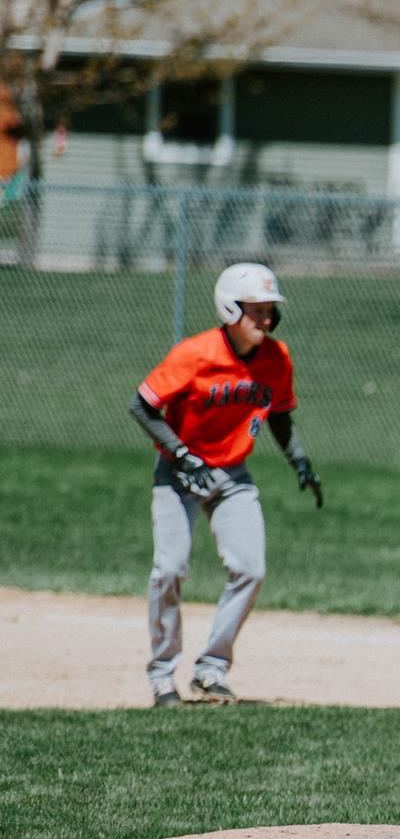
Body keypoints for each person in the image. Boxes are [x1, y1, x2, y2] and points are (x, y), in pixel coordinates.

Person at [130, 263, 323, 707]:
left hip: (232, 475)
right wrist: (181, 453)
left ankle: (211, 670)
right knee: (170, 570)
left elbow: (280, 415)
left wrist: (300, 462)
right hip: (178, 474)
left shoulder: (277, 358)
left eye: (271, 311)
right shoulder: (195, 354)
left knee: (251, 570)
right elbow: (142, 406)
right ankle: (162, 677)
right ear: (230, 308)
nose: (267, 320)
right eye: (257, 311)